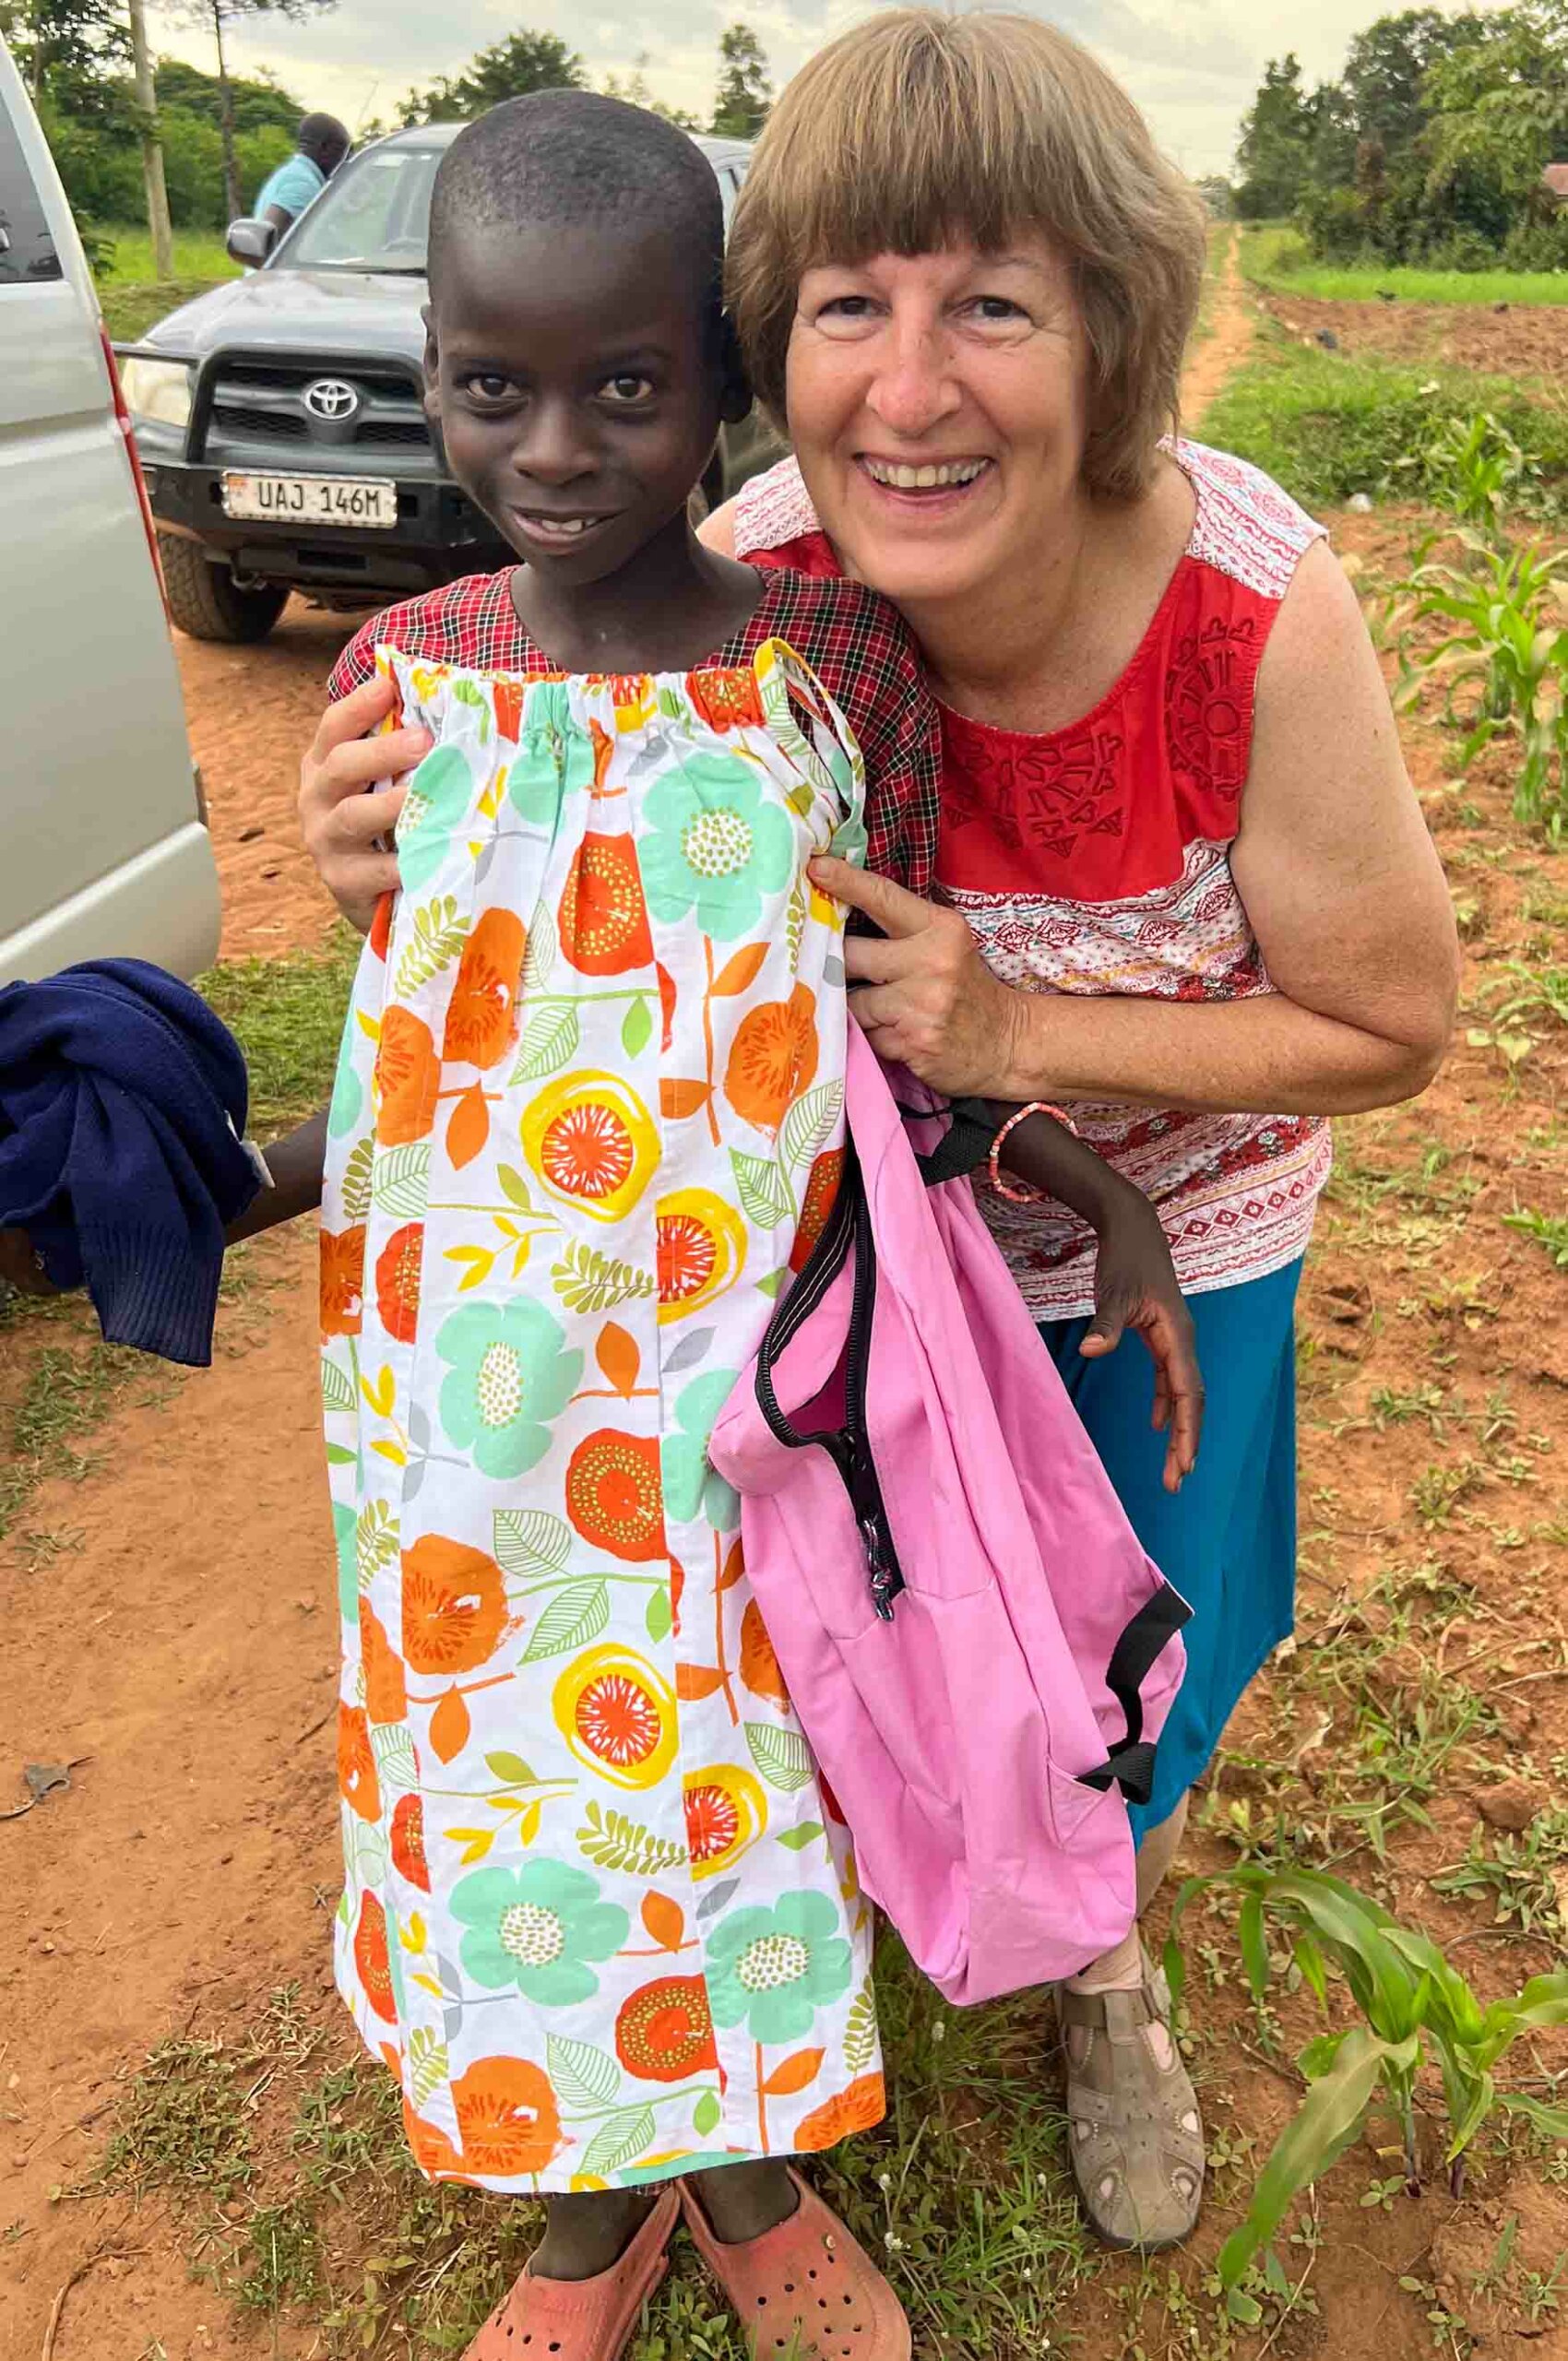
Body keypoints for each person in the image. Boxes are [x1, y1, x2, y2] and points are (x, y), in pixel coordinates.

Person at [297, 11, 1459, 2260]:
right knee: (821, 1624)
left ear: (1110, 332)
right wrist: (401, 867)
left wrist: (1034, 1051)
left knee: (1126, 1632)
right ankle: (778, 1993)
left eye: (990, 305)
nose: (906, 392)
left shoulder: (1240, 611)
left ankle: (1094, 1955)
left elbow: (1391, 1015)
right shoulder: (719, 580)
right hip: (830, 1250)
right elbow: (546, 916)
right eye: (849, 305)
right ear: (770, 349)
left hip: (1156, 1215)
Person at [212, 86, 1203, 2361]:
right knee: (512, 1795)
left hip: (758, 1382)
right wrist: (225, 1172)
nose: (552, 441)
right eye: (492, 384)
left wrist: (1087, 1196)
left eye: (624, 384)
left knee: (742, 1770)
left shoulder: (831, 674)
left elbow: (900, 1020)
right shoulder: (401, 683)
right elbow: (418, 1047)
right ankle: (590, 2211)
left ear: (717, 388)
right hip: (469, 1399)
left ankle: (750, 2179)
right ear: (430, 368)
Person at [253, 111, 350, 238]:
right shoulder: (303, 184)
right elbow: (266, 237)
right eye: (342, 152)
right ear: (325, 148)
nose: (344, 161)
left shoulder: (292, 172)